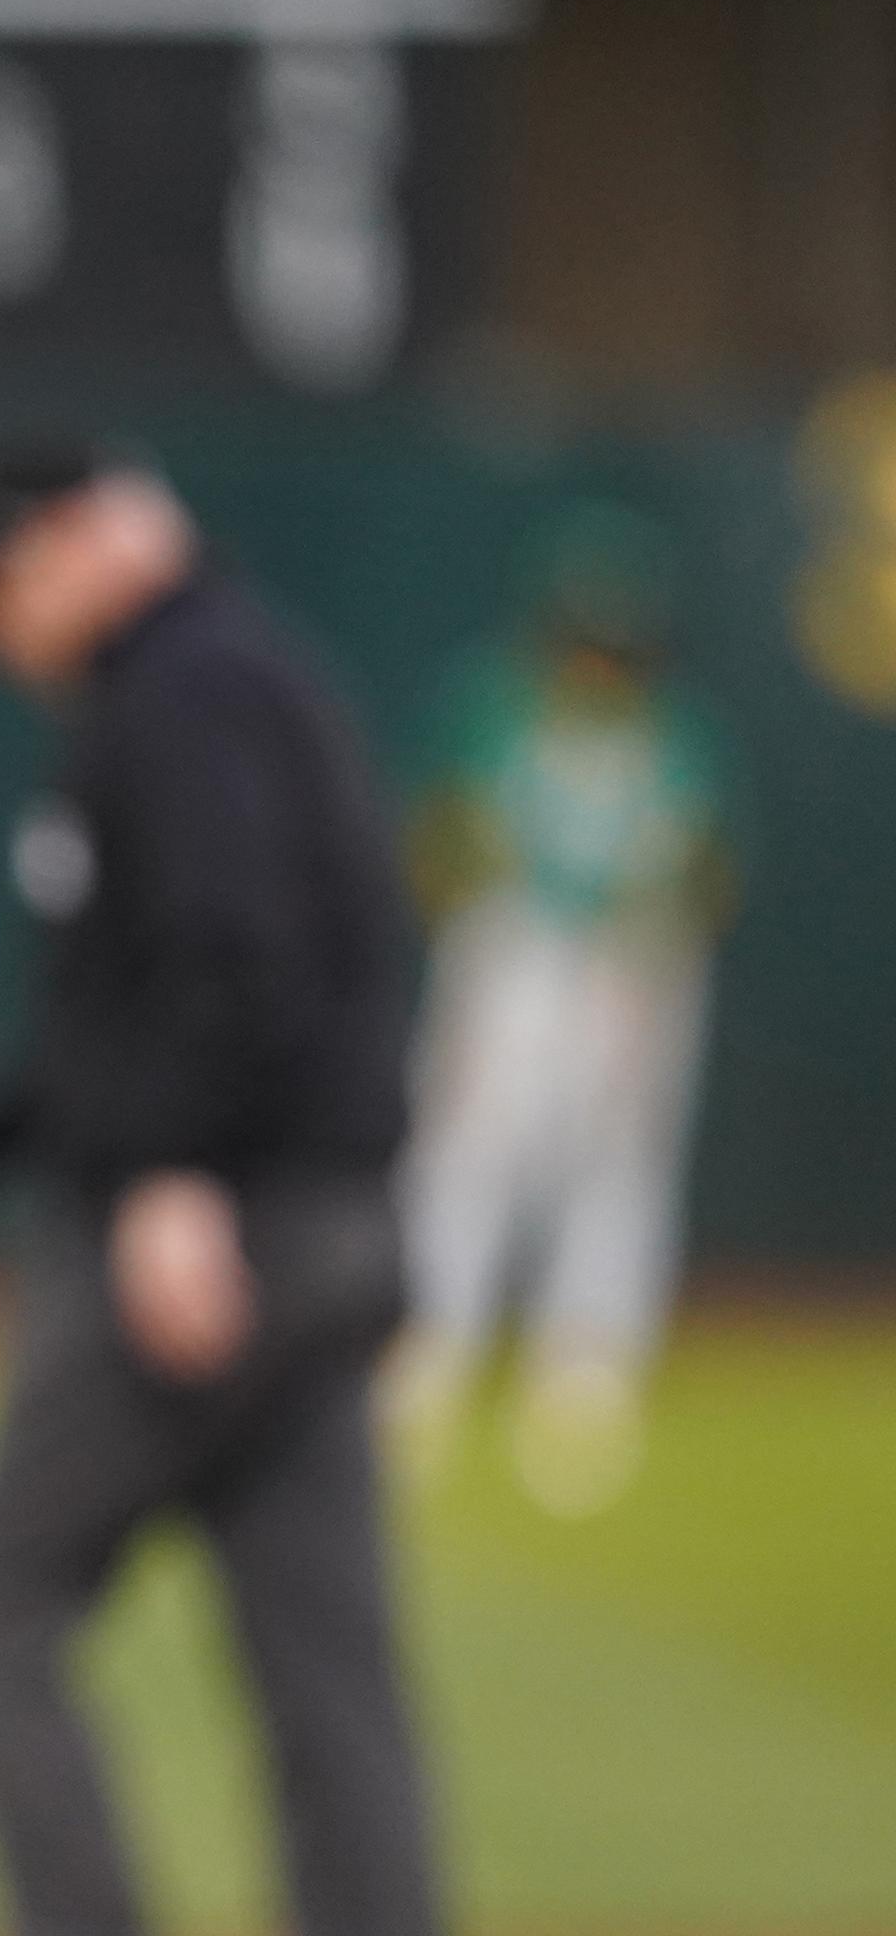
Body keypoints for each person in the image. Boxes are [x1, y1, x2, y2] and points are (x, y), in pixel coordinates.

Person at [0, 439, 442, 1936]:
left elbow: (240, 958)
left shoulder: (180, 694)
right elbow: (129, 1015)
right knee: (323, 1664)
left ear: (62, 545)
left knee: (2, 1612)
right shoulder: (232, 671)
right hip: (330, 1226)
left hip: (225, 1230)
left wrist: (171, 1177)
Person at [384, 508, 733, 1516]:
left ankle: (587, 1360)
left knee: (620, 1163)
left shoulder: (677, 730)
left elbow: (710, 866)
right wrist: (472, 938)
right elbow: (440, 832)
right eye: (587, 641)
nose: (600, 663)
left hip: (635, 962)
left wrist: (655, 948)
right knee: (467, 1149)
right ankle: (427, 1344)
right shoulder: (492, 704)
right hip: (514, 950)